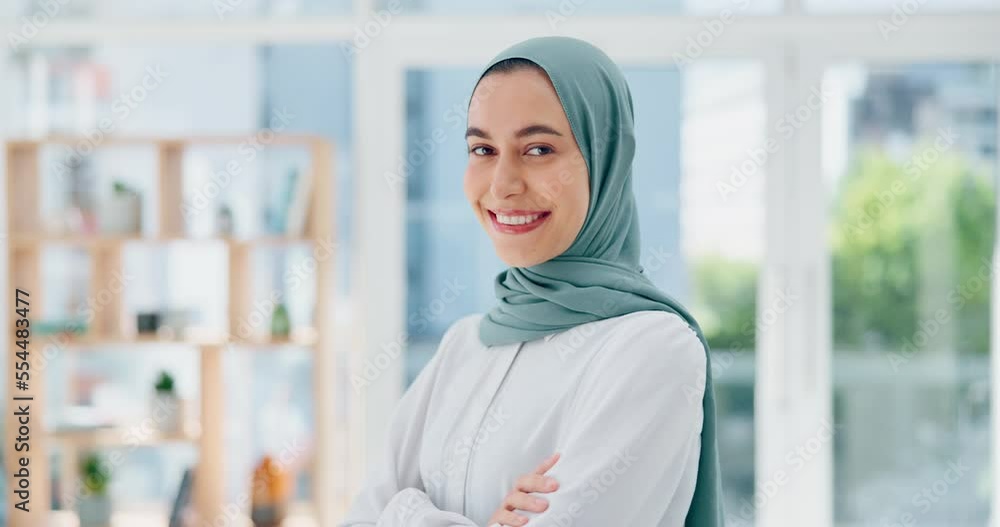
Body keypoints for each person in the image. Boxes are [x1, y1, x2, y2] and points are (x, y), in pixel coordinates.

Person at [341, 36, 724, 527]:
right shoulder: (466, 344)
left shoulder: (652, 348)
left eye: (538, 149)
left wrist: (406, 511)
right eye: (482, 149)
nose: (502, 184)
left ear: (607, 159)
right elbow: (359, 515)